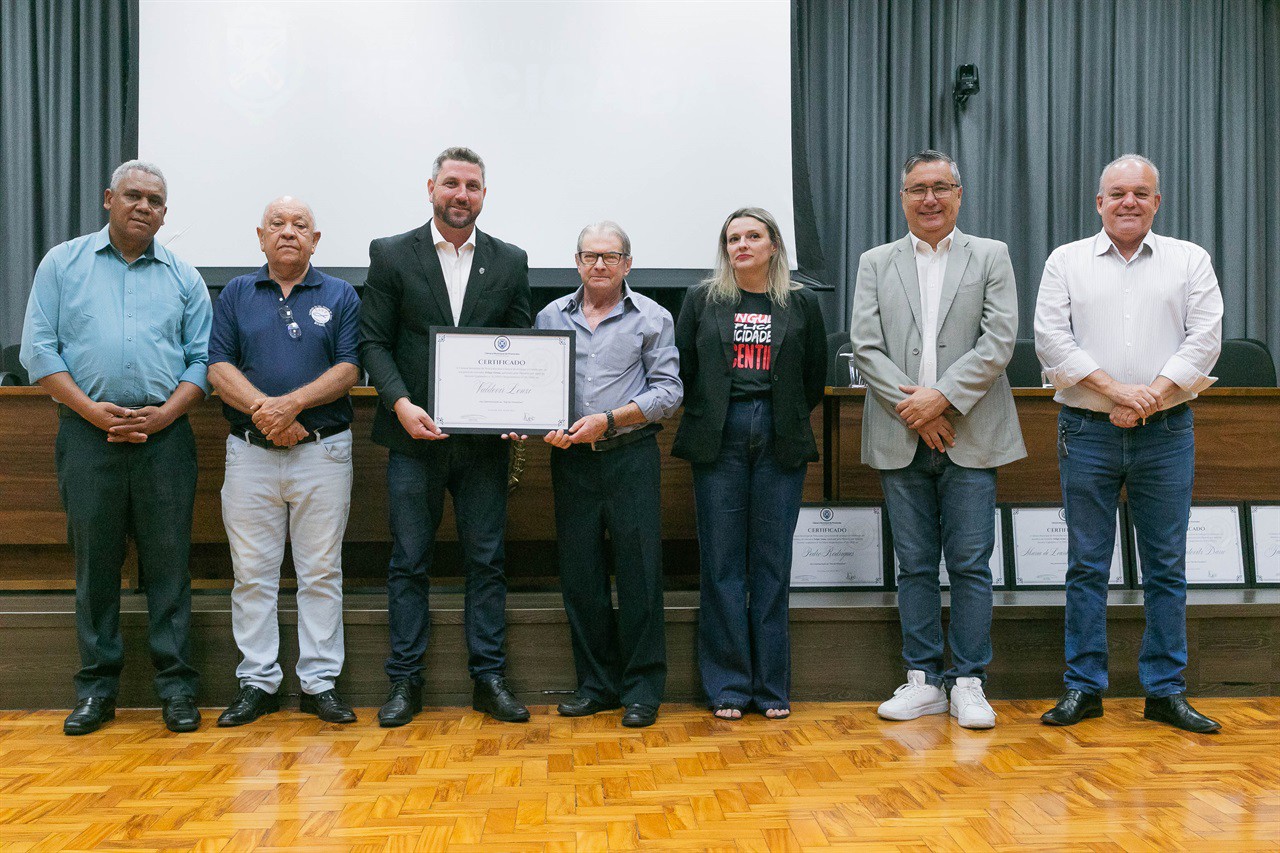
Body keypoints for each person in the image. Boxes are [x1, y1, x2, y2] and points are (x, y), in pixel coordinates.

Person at [20, 160, 211, 735]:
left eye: (155, 200)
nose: (144, 207)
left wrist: (160, 419)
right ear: (109, 198)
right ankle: (96, 691)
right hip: (87, 437)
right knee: (94, 567)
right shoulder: (63, 263)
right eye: (133, 196)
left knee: (169, 568)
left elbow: (202, 361)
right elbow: (39, 352)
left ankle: (176, 689)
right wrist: (92, 411)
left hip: (166, 441)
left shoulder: (184, 276)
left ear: (165, 212)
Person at [1034, 154, 1224, 733]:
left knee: (1166, 565)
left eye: (1141, 194)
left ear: (1157, 202)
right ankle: (1084, 688)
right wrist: (1116, 390)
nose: (1128, 203)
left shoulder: (1189, 259)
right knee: (1086, 565)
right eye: (1117, 194)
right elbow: (1051, 341)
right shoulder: (1066, 261)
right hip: (1086, 431)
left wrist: (1151, 395)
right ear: (1099, 202)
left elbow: (1206, 338)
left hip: (1165, 432)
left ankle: (1164, 691)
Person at [851, 150, 1026, 730]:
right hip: (903, 433)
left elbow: (999, 341)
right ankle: (923, 680)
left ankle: (970, 681)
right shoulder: (875, 262)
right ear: (902, 197)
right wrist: (918, 412)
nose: (929, 198)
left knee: (972, 564)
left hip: (972, 433)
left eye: (941, 187)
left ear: (959, 194)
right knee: (915, 564)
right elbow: (866, 346)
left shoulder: (991, 256)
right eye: (917, 189)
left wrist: (941, 399)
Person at [359, 147, 532, 726]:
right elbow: (373, 343)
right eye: (452, 184)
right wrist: (401, 404)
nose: (462, 195)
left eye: (473, 187)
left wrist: (518, 406)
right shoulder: (391, 255)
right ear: (431, 187)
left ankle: (489, 679)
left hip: (484, 445)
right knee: (410, 561)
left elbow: (520, 343)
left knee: (487, 560)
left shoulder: (510, 260)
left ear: (485, 195)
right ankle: (405, 683)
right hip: (414, 437)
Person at [207, 197, 361, 726]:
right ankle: (258, 681)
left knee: (321, 570)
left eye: (300, 225)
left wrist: (293, 405)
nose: (288, 232)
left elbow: (349, 369)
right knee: (252, 573)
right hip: (250, 454)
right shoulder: (235, 293)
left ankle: (319, 682)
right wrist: (267, 413)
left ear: (316, 240)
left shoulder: (340, 294)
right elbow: (217, 367)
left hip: (323, 451)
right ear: (260, 235)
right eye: (277, 224)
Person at [672, 207, 827, 720]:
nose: (742, 245)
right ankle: (729, 687)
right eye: (733, 238)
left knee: (770, 564)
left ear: (774, 245)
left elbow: (812, 377)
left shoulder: (801, 303)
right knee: (721, 564)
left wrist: (775, 414)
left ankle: (772, 688)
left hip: (780, 437)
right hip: (719, 437)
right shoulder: (701, 300)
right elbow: (686, 371)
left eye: (752, 236)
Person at [527, 221, 682, 729]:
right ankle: (597, 685)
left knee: (639, 573)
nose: (599, 265)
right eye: (590, 256)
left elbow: (669, 392)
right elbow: (533, 384)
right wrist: (532, 423)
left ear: (627, 265)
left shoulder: (652, 318)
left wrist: (611, 419)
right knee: (581, 575)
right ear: (576, 262)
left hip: (629, 455)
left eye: (610, 257)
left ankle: (642, 690)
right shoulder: (550, 315)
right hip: (570, 459)